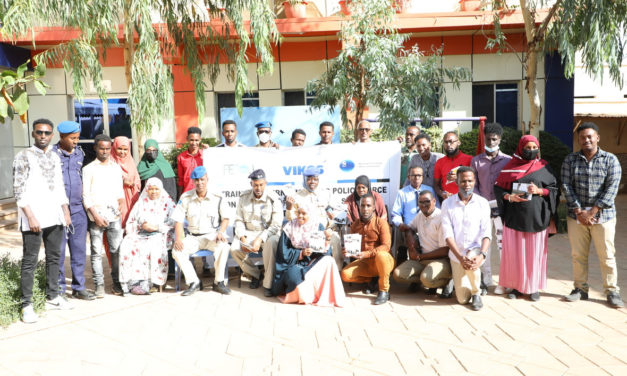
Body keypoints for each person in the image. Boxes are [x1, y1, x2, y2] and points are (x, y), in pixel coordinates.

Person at [14, 119, 73, 323]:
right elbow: (18, 189)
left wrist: (65, 210)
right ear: (33, 134)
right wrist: (30, 216)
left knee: (54, 257)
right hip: (33, 218)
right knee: (30, 260)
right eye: (39, 132)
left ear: (52, 136)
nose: (43, 136)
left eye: (47, 133)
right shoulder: (23, 156)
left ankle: (53, 296)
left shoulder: (55, 157)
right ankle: (26, 305)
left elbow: (59, 186)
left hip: (54, 215)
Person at [561, 122, 624, 308]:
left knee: (607, 256)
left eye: (590, 136)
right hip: (577, 216)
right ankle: (580, 289)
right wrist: (580, 212)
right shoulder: (570, 160)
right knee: (578, 255)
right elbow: (566, 185)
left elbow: (612, 188)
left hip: (604, 216)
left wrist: (593, 211)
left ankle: (612, 291)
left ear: (597, 137)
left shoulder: (610, 159)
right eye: (582, 137)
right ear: (578, 140)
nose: (586, 140)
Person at [494, 135, 558, 301]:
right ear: (520, 149)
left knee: (534, 254)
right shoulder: (509, 167)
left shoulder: (543, 166)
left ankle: (533, 288)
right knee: (516, 254)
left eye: (533, 147)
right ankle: (515, 287)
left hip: (537, 218)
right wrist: (509, 197)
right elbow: (499, 189)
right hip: (514, 218)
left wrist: (539, 191)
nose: (530, 151)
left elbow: (553, 189)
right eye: (527, 148)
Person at [171, 166, 231, 296]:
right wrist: (179, 239)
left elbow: (226, 218)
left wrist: (221, 232)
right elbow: (178, 220)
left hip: (212, 235)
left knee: (224, 246)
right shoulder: (186, 197)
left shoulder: (217, 196)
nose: (200, 183)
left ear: (207, 179)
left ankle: (218, 282)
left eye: (202, 179)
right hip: (193, 237)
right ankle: (194, 282)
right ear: (193, 182)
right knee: (177, 250)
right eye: (197, 180)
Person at [271, 203, 346, 306]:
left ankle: (322, 295)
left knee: (329, 261)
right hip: (295, 264)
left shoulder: (317, 226)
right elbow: (283, 252)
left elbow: (326, 254)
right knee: (293, 278)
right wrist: (300, 253)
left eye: (304, 213)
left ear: (310, 214)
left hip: (312, 264)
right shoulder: (290, 227)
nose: (300, 216)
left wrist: (327, 239)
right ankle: (305, 295)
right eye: (298, 213)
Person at [52, 121, 95, 301]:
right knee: (59, 253)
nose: (76, 141)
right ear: (62, 137)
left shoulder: (79, 153)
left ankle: (79, 287)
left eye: (77, 138)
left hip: (78, 211)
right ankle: (60, 290)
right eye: (72, 138)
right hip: (58, 211)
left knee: (79, 252)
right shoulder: (51, 155)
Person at [441, 166, 491, 311]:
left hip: (475, 251)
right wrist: (459, 257)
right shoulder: (447, 204)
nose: (467, 184)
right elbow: (447, 235)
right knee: (462, 299)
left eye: (470, 181)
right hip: (456, 255)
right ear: (457, 182)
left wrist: (482, 254)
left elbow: (486, 232)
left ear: (474, 181)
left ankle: (476, 293)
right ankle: (473, 280)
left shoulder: (482, 203)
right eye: (463, 181)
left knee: (471, 259)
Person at [470, 123, 512, 295]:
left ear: (499, 140)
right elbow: (473, 185)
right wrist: (482, 204)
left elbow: (510, 185)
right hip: (482, 207)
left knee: (503, 245)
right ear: (484, 139)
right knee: (483, 244)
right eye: (488, 139)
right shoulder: (476, 161)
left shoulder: (508, 161)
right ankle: (486, 280)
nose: (491, 142)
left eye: (494, 139)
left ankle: (504, 281)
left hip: (502, 208)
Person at [83, 134, 126, 297]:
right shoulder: (88, 170)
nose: (105, 151)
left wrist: (121, 202)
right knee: (96, 252)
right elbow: (86, 196)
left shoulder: (115, 167)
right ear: (95, 148)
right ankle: (99, 285)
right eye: (102, 148)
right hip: (96, 216)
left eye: (108, 148)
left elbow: (119, 191)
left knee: (116, 251)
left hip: (114, 215)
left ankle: (117, 283)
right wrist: (95, 215)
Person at [231, 169, 283, 297]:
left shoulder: (273, 198)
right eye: (255, 185)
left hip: (268, 234)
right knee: (234, 248)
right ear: (251, 185)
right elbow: (238, 220)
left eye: (261, 185)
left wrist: (260, 239)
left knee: (271, 245)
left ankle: (268, 283)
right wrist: (242, 237)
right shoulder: (244, 198)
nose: (258, 188)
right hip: (249, 233)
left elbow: (276, 225)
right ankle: (255, 275)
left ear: (265, 183)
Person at [118, 178, 176, 295]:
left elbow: (174, 222)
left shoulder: (167, 202)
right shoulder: (141, 203)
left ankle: (152, 282)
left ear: (161, 189)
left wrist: (156, 227)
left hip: (160, 233)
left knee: (152, 245)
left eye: (156, 189)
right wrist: (140, 226)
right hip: (140, 233)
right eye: (151, 189)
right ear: (146, 190)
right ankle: (132, 283)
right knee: (127, 244)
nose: (154, 192)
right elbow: (131, 221)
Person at [393, 190, 453, 298]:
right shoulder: (420, 215)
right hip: (423, 260)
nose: (424, 205)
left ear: (434, 201)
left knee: (427, 279)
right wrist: (411, 242)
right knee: (398, 275)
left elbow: (445, 250)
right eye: (420, 202)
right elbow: (409, 228)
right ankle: (428, 278)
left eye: (427, 201)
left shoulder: (441, 218)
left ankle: (448, 280)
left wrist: (420, 256)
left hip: (441, 260)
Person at [285, 166, 343, 269]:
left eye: (315, 179)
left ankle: (336, 273)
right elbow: (292, 219)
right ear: (304, 179)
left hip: (324, 231)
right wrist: (289, 208)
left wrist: (331, 219)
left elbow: (335, 213)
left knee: (335, 239)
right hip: (305, 233)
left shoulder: (326, 193)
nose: (312, 182)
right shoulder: (297, 196)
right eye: (309, 179)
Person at [341, 194, 394, 305]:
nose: (365, 209)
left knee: (382, 255)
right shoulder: (355, 225)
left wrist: (367, 254)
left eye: (368, 206)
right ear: (359, 207)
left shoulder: (381, 223)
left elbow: (386, 246)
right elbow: (354, 248)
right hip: (366, 262)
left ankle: (384, 290)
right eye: (363, 206)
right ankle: (370, 280)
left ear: (374, 207)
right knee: (345, 274)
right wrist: (349, 251)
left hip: (384, 261)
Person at [391, 166, 437, 266]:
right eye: (413, 175)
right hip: (410, 228)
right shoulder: (402, 193)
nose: (416, 178)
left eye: (419, 175)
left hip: (429, 226)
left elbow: (437, 209)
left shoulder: (430, 190)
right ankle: (412, 269)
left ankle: (427, 266)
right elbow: (395, 214)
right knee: (409, 238)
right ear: (408, 177)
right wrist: (401, 224)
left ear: (423, 177)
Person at [433, 131, 472, 201]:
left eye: (451, 142)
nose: (448, 144)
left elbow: (475, 181)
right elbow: (436, 185)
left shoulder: (470, 159)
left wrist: (459, 177)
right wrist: (442, 194)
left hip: (466, 200)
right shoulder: (439, 162)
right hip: (447, 201)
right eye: (446, 142)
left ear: (458, 142)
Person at [111, 136, 141, 227]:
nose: (122, 152)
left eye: (125, 149)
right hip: (116, 199)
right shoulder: (110, 161)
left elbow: (137, 180)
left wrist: (133, 184)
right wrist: (122, 181)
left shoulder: (131, 161)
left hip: (131, 199)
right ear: (114, 147)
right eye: (119, 149)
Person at [177, 127, 204, 198]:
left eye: (196, 140)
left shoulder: (205, 155)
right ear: (187, 139)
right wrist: (180, 196)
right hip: (187, 194)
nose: (194, 143)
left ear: (200, 140)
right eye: (191, 140)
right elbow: (180, 179)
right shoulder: (181, 157)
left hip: (202, 193)